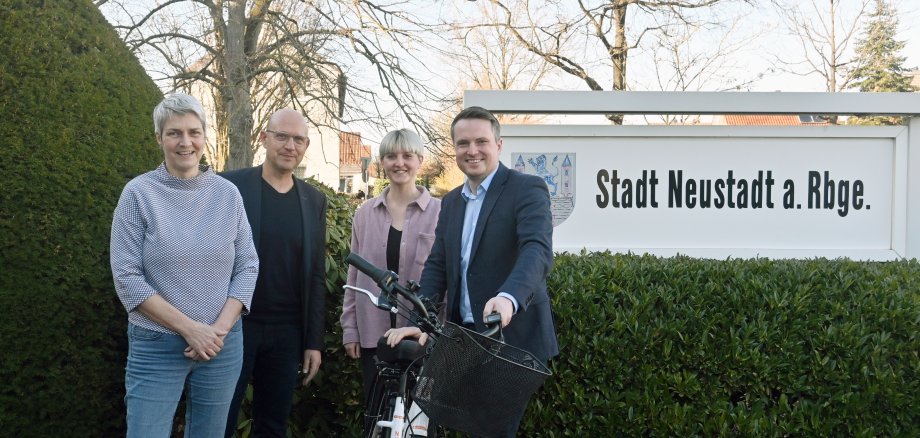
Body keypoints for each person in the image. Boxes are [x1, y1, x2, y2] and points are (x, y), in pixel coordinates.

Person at [386, 106, 559, 437]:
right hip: (461, 339)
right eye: (463, 143)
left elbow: (537, 249)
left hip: (510, 342)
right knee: (422, 420)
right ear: (455, 149)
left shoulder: (526, 188)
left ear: (499, 144)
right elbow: (437, 264)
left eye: (481, 141)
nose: (472, 150)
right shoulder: (451, 202)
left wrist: (509, 298)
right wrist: (417, 322)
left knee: (491, 433)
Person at [110, 93, 259, 438]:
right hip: (157, 344)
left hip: (221, 345)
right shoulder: (138, 194)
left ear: (205, 137)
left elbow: (248, 265)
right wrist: (191, 329)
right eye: (174, 132)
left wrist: (217, 330)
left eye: (194, 132)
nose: (185, 142)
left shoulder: (228, 194)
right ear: (158, 138)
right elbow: (127, 277)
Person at [221, 109, 328, 438]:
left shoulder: (313, 200)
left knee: (272, 425)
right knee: (219, 418)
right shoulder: (230, 186)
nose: (290, 146)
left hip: (287, 332)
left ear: (306, 146)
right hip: (235, 325)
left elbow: (315, 276)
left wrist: (313, 342)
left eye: (298, 140)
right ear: (264, 138)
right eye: (282, 136)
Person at [340, 129, 442, 418]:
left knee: (420, 420)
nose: (400, 163)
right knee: (377, 418)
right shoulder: (365, 214)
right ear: (382, 162)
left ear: (420, 160)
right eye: (391, 156)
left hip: (425, 338)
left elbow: (447, 277)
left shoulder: (440, 212)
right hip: (375, 336)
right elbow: (353, 276)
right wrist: (350, 329)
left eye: (407, 156)